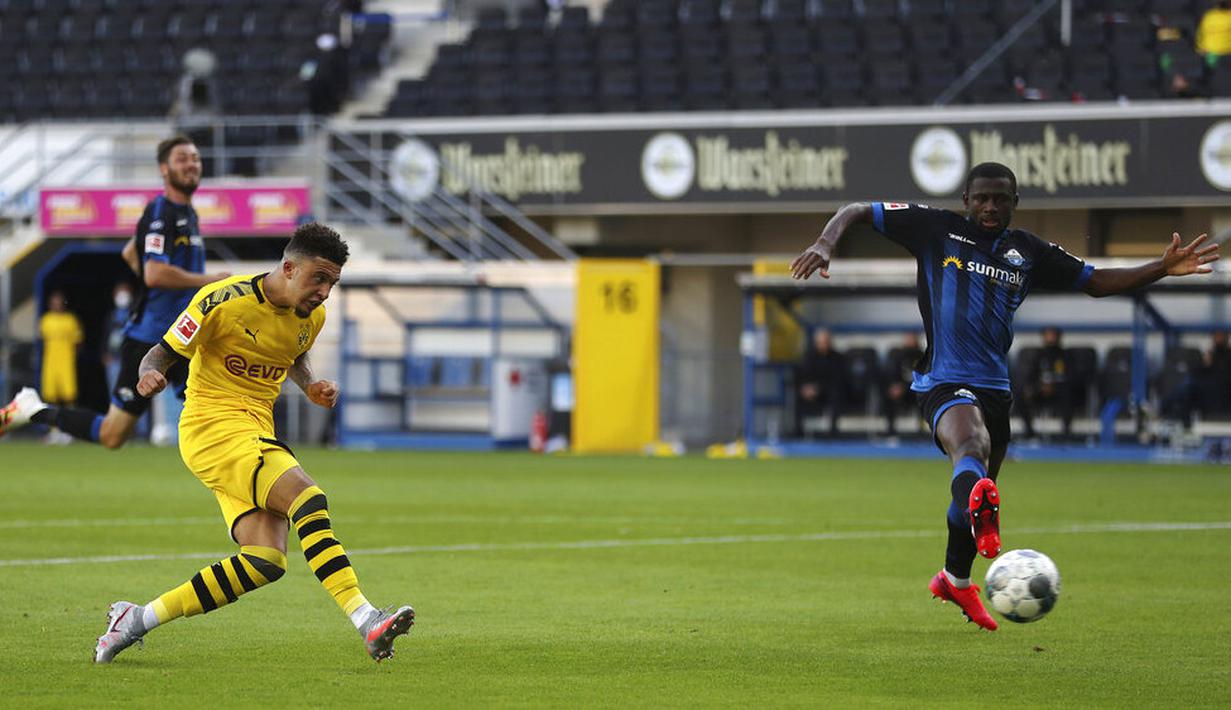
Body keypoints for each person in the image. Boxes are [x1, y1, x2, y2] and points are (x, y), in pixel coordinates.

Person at [789, 162, 1219, 631]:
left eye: (1001, 198)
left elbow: (1094, 281)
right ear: (966, 201)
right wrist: (825, 243)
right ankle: (970, 535)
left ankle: (955, 579)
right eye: (982, 198)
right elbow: (856, 209)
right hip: (943, 379)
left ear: (1016, 202)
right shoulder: (935, 228)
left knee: (973, 496)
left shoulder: (1028, 252)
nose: (991, 207)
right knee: (970, 448)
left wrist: (1161, 267)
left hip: (996, 388)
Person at [94, 223, 414, 664]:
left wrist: (310, 384)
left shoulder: (312, 317)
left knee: (264, 561)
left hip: (254, 431)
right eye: (318, 278)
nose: (324, 292)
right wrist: (150, 373)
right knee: (308, 498)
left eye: (332, 283)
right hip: (211, 428)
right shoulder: (223, 299)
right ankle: (366, 619)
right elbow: (161, 350)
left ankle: (133, 619)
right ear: (287, 267)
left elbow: (293, 351)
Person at [0, 136, 229, 445]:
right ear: (164, 169)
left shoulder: (188, 213)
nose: (192, 165)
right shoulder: (161, 212)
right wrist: (208, 281)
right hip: (150, 339)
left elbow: (130, 253)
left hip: (183, 335)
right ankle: (34, 410)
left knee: (215, 414)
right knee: (113, 434)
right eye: (182, 159)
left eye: (196, 159)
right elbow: (154, 272)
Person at [37, 291, 83, 442]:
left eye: (59, 301)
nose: (56, 304)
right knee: (51, 398)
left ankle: (69, 430)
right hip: (51, 363)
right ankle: (54, 430)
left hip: (66, 363)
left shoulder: (70, 320)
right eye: (54, 301)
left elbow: (78, 342)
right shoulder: (45, 320)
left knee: (69, 397)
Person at [1017, 327, 1074, 439]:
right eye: (1047, 335)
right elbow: (1031, 375)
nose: (1050, 338)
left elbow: (1071, 376)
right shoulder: (1039, 355)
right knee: (1021, 396)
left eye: (1052, 335)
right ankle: (1029, 431)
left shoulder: (1065, 355)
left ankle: (1066, 432)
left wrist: (1054, 386)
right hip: (1041, 390)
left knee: (1069, 395)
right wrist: (1036, 387)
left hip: (1060, 390)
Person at [795, 328, 847, 438]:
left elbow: (838, 379)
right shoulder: (808, 356)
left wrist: (818, 388)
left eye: (826, 342)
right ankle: (799, 432)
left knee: (835, 395)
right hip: (811, 392)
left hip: (828, 391)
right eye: (820, 342)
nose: (823, 344)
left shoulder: (838, 358)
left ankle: (833, 432)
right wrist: (806, 388)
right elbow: (802, 375)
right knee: (799, 396)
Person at [882, 332, 923, 436]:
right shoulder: (897, 356)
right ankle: (890, 430)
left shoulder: (922, 356)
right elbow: (892, 373)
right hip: (899, 388)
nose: (909, 341)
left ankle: (921, 430)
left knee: (924, 396)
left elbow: (923, 376)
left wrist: (905, 387)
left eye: (912, 339)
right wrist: (894, 386)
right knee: (888, 395)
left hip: (916, 389)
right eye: (907, 339)